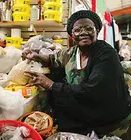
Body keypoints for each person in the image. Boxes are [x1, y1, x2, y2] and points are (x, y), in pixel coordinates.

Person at [23, 10, 131, 139]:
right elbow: (54, 59)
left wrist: (50, 84)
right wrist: (36, 56)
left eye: (88, 28)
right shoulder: (72, 53)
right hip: (91, 121)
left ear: (96, 31)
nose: (83, 32)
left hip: (114, 124)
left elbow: (93, 90)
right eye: (78, 30)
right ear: (72, 35)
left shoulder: (106, 54)